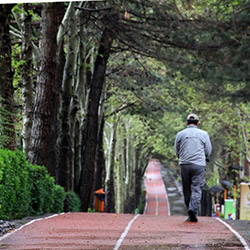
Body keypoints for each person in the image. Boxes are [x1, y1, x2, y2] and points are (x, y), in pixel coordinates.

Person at [174, 113, 212, 222]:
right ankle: (193, 209)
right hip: (199, 165)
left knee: (187, 189)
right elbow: (208, 149)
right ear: (198, 123)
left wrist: (181, 158)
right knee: (196, 188)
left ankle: (191, 212)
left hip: (184, 164)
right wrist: (205, 157)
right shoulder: (204, 134)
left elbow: (177, 150)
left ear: (186, 123)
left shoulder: (180, 134)